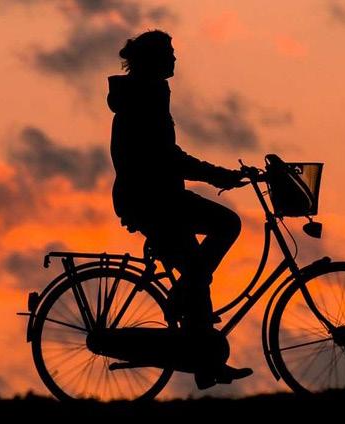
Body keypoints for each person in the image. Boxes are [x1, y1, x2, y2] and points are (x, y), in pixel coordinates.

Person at [107, 29, 252, 390]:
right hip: (152, 201)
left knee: (196, 269)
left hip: (158, 199)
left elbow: (167, 156)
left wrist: (217, 175)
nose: (174, 58)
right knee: (225, 225)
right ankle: (182, 299)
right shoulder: (143, 97)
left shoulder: (148, 93)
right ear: (154, 60)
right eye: (169, 53)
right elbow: (167, 158)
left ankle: (206, 363)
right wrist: (218, 175)